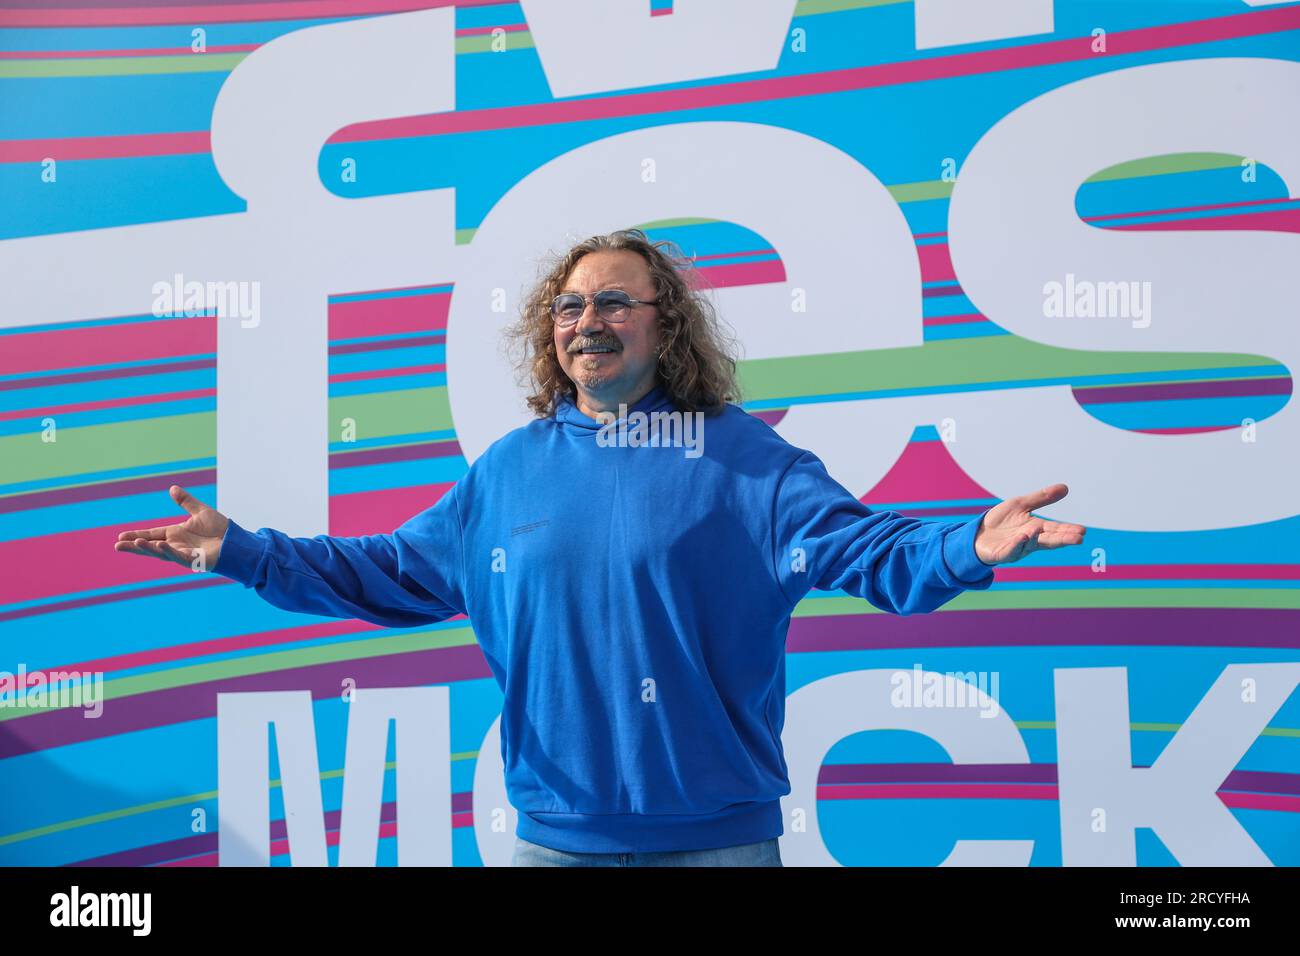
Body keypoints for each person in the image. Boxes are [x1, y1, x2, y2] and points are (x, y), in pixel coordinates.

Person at [115, 228, 1086, 867]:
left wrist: (968, 542)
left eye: (616, 302)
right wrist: (244, 550)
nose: (589, 321)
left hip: (719, 845)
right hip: (554, 842)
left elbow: (874, 555)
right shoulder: (505, 472)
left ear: (667, 327)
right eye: (571, 306)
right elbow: (388, 572)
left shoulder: (743, 460)